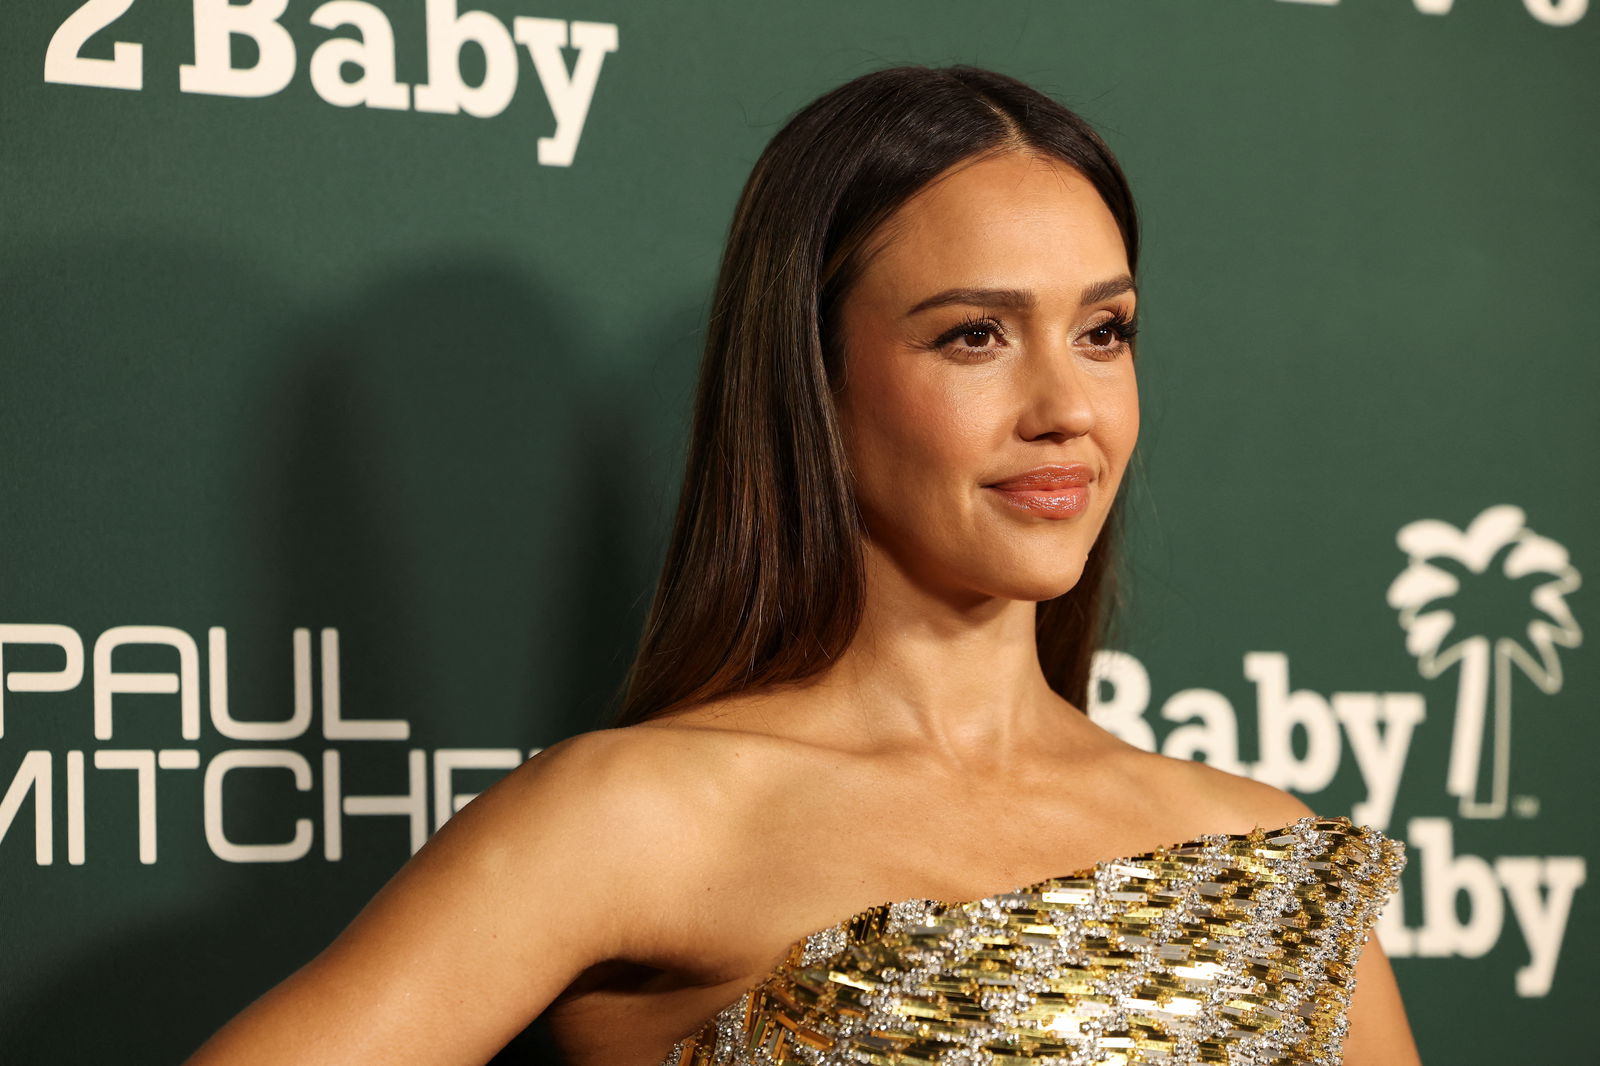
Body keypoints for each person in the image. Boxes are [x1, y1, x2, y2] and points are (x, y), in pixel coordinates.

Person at [183, 65, 1421, 1066]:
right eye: (974, 335)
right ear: (812, 380)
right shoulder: (636, 821)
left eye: (1104, 332)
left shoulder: (1271, 859)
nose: (1065, 408)